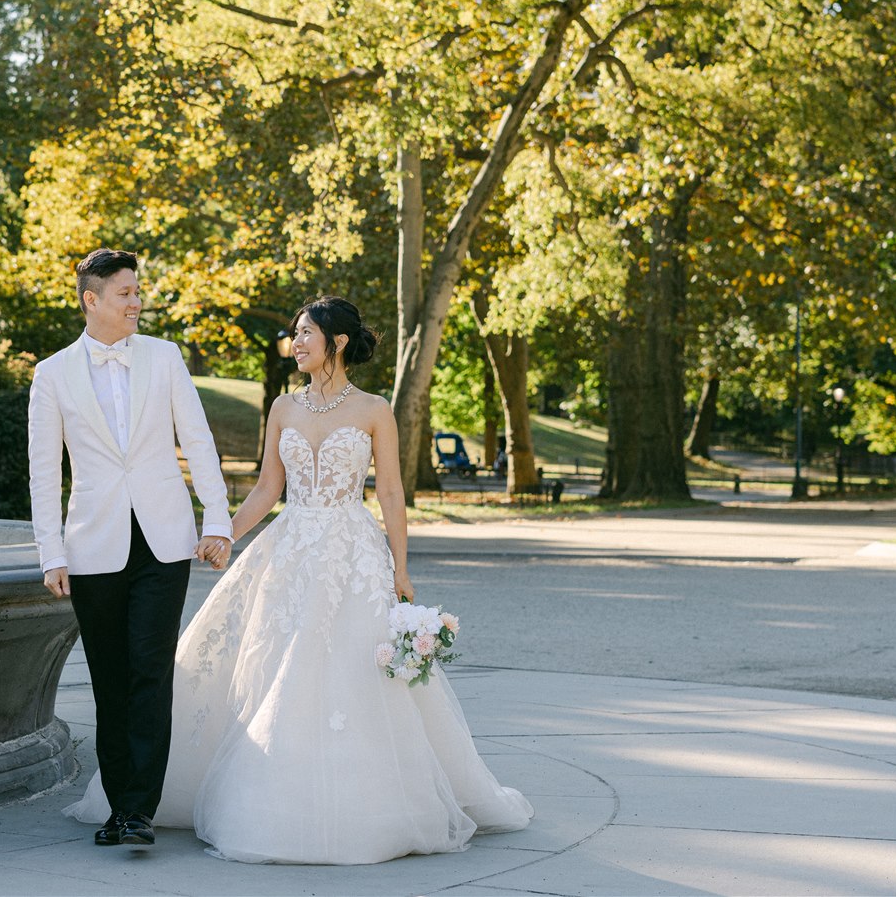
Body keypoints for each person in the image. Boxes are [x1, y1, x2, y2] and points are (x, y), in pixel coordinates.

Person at [65, 295, 532, 864]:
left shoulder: (373, 410)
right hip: (287, 551)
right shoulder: (284, 408)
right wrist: (221, 533)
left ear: (336, 342)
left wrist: (401, 569)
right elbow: (267, 489)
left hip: (351, 553)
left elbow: (389, 492)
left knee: (349, 669)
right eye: (295, 333)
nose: (297, 342)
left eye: (307, 332)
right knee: (272, 666)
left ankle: (367, 804)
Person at [28, 248, 234, 848]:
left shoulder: (165, 358)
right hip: (93, 546)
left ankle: (138, 810)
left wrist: (216, 519)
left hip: (164, 541)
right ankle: (120, 805)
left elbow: (197, 440)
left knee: (150, 672)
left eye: (138, 292)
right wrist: (51, 552)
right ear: (91, 300)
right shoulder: (53, 374)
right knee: (109, 678)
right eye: (125, 293)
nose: (137, 301)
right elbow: (44, 472)